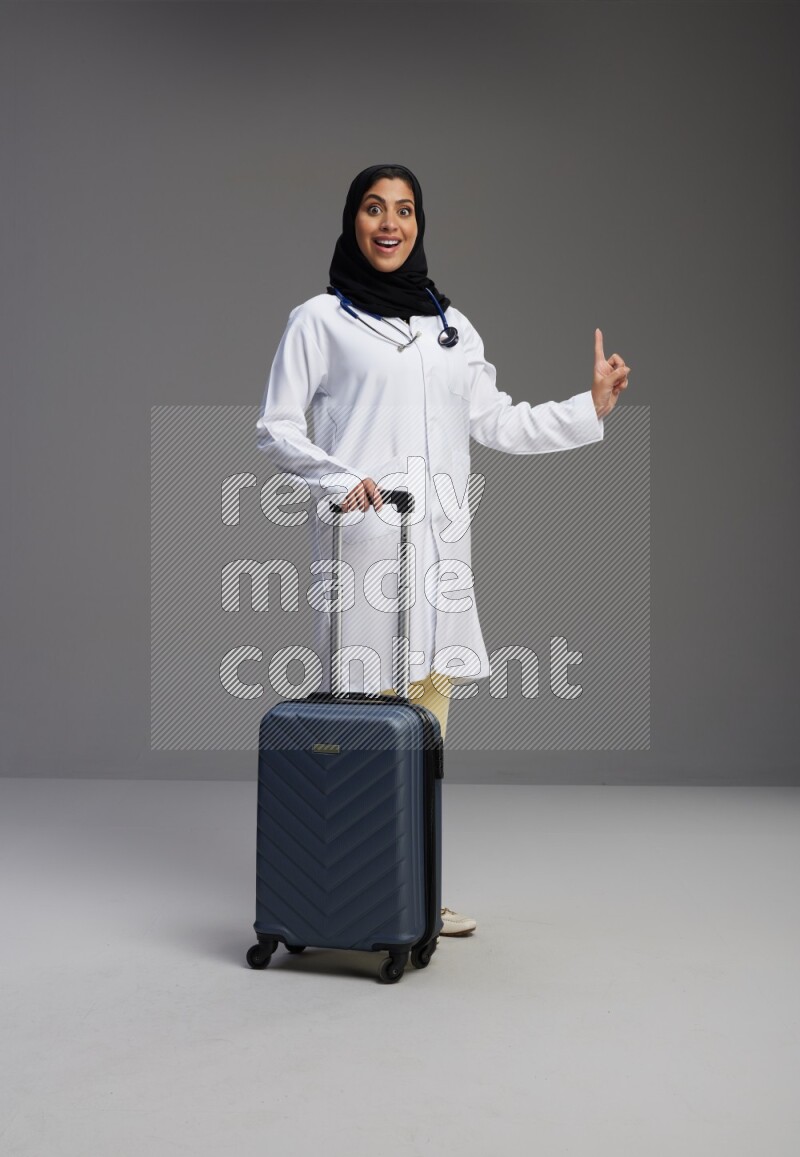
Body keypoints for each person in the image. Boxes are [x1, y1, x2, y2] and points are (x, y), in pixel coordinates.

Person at [256, 163, 630, 936]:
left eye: (404, 210)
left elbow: (498, 422)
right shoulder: (320, 320)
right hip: (362, 551)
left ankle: (412, 889)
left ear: (420, 224)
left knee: (425, 733)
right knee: (357, 730)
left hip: (438, 560)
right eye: (372, 208)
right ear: (352, 221)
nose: (389, 223)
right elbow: (277, 428)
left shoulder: (452, 330)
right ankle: (347, 896)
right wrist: (337, 476)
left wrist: (586, 408)